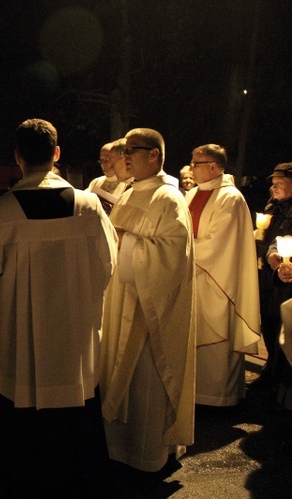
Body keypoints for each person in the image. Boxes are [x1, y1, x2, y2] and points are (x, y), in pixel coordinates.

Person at [0, 118, 118, 496]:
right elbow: (109, 267)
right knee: (77, 424)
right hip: (76, 342)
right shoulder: (89, 206)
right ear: (57, 154)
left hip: (24, 348)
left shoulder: (1, 213)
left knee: (27, 436)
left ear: (18, 158)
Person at [99, 128, 196, 473]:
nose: (124, 156)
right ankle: (118, 447)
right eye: (123, 150)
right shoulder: (129, 193)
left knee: (145, 385)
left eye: (132, 150)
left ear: (154, 154)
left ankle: (146, 455)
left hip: (148, 309)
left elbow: (173, 256)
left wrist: (126, 243)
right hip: (119, 300)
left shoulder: (169, 198)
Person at [185, 144, 260, 406]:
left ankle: (219, 397)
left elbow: (220, 243)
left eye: (197, 163)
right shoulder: (192, 194)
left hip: (218, 279)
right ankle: (195, 394)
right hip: (193, 276)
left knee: (217, 341)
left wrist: (180, 252)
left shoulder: (231, 198)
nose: (192, 168)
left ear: (215, 167)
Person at [256, 163, 292, 395]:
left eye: (280, 181)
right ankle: (271, 369)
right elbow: (272, 236)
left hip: (286, 278)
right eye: (273, 181)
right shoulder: (274, 206)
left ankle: (281, 380)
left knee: (284, 324)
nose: (274, 185)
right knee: (268, 321)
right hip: (269, 274)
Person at [86, 142, 128, 214]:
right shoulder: (96, 182)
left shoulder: (128, 183)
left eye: (107, 160)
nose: (103, 164)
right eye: (101, 160)